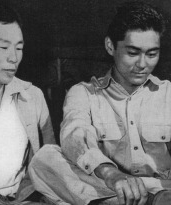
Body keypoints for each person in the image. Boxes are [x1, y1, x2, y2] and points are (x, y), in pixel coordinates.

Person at [29, 1, 171, 205]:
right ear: (110, 46)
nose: (142, 64)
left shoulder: (168, 93)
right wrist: (111, 174)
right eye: (132, 53)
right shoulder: (83, 93)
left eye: (151, 54)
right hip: (108, 186)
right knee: (45, 158)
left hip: (162, 187)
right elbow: (75, 134)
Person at [0, 1, 56, 204]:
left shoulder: (32, 96)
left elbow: (50, 159)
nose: (14, 58)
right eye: (3, 47)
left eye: (19, 48)